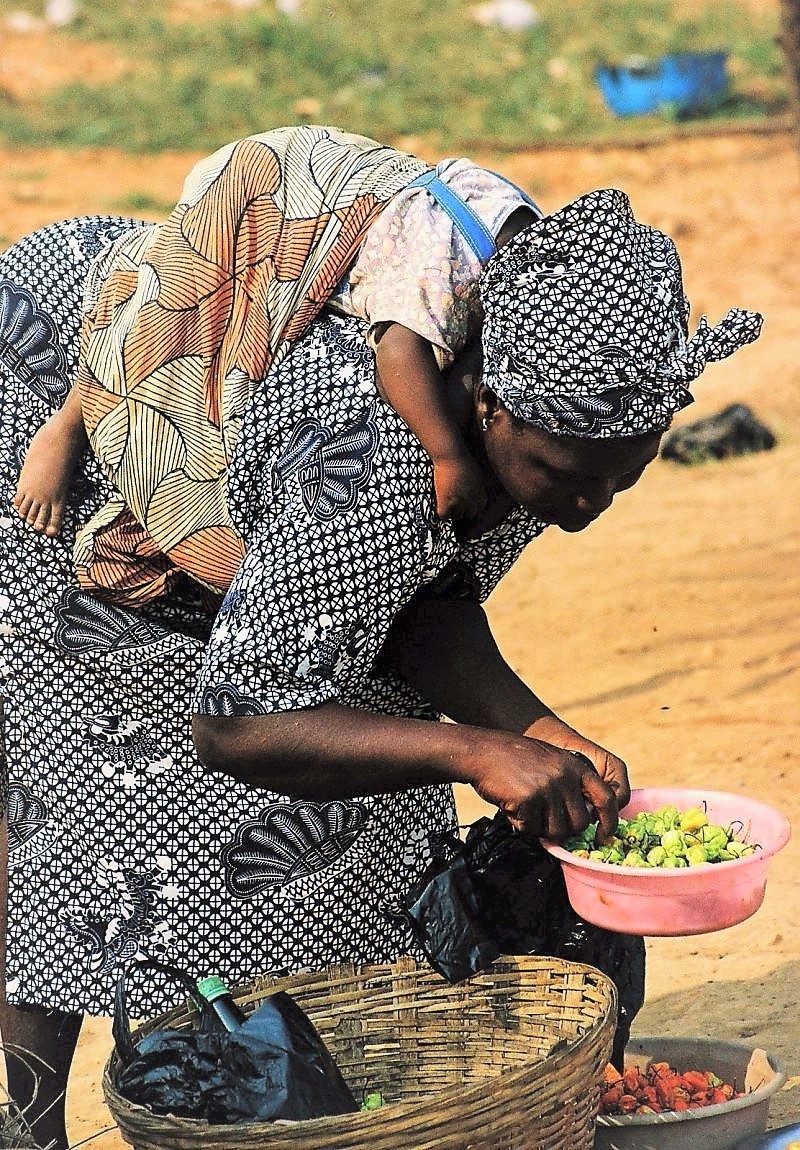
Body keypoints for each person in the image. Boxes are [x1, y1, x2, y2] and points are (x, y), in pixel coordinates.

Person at [0, 162, 760, 1147]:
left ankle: (323, 1072)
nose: (580, 511)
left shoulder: (542, 429)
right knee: (102, 781)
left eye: (616, 484)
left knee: (355, 757)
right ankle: (24, 1121)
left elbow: (414, 602)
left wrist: (537, 732)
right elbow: (235, 723)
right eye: (563, 479)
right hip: (54, 400)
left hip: (254, 469)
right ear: (482, 402)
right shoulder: (375, 440)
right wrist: (476, 752)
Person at [12, 125, 541, 545]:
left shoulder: (530, 241)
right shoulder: (447, 277)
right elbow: (399, 357)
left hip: (336, 168)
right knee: (171, 328)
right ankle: (69, 423)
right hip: (266, 193)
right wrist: (448, 456)